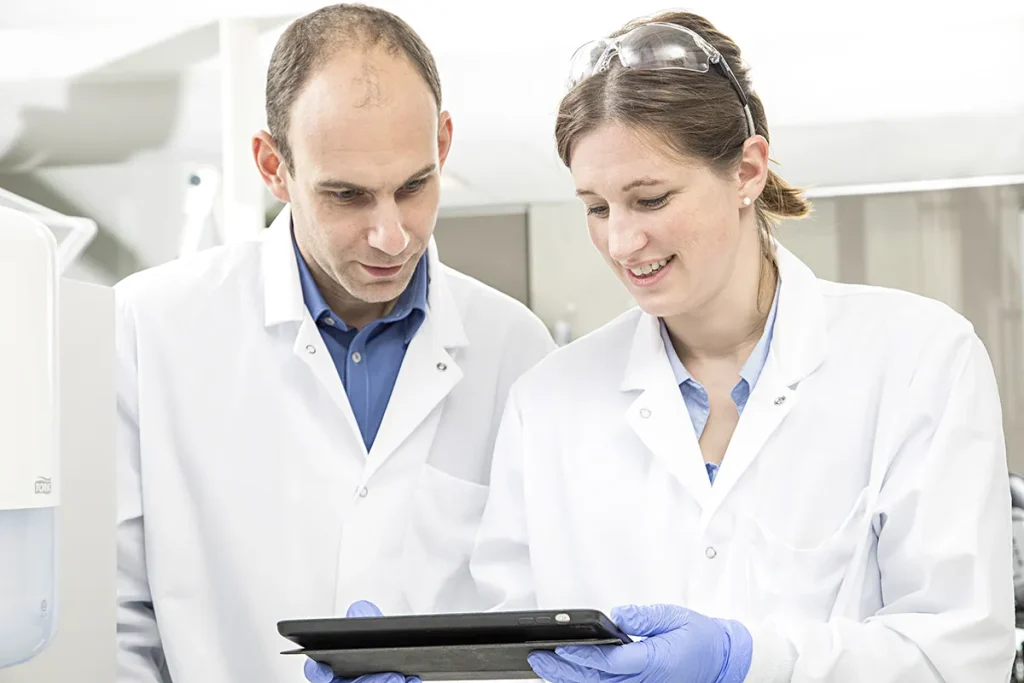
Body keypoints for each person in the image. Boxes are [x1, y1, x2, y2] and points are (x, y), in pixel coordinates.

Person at [338, 10, 1012, 683]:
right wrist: (427, 675)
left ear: (748, 170)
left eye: (651, 199)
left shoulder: (920, 360)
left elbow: (958, 655)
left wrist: (747, 659)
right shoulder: (547, 403)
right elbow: (524, 662)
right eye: (597, 208)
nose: (621, 242)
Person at [114, 5, 555, 683]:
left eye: (413, 186)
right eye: (346, 195)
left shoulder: (513, 347)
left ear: (442, 143)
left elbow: (535, 612)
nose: (391, 235)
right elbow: (116, 622)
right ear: (273, 166)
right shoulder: (150, 328)